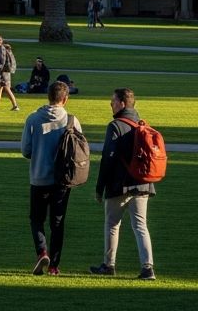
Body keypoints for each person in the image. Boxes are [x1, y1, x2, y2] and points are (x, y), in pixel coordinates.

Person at [90, 88, 157, 281]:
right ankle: (148, 268)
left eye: (113, 101)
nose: (110, 104)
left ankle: (109, 265)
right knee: (140, 226)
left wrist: (99, 187)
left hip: (120, 184)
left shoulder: (115, 126)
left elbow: (107, 159)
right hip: (143, 183)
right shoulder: (142, 124)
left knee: (112, 224)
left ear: (122, 103)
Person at [21, 79, 78, 276]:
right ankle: (54, 265)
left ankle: (41, 251)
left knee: (36, 219)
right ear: (66, 99)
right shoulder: (71, 120)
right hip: (62, 180)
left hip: (38, 177)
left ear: (48, 96)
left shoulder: (33, 119)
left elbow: (25, 150)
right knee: (58, 222)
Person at [0, 34, 20, 111]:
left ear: (1, 41)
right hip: (5, 71)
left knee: (7, 89)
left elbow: (2, 61)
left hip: (3, 72)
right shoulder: (2, 48)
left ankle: (15, 106)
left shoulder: (0, 49)